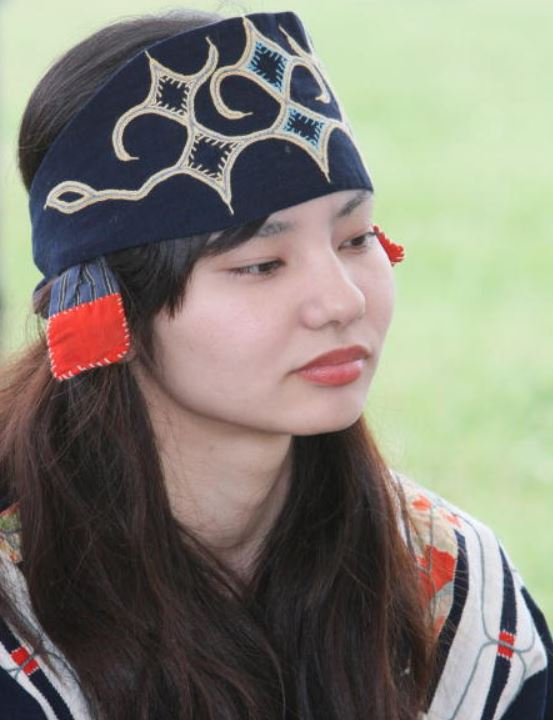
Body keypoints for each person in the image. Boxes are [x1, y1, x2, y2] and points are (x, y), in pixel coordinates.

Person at [0, 8, 550, 720]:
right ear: (109, 306)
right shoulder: (17, 623)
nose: (343, 300)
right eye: (261, 264)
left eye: (355, 238)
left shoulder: (448, 584)